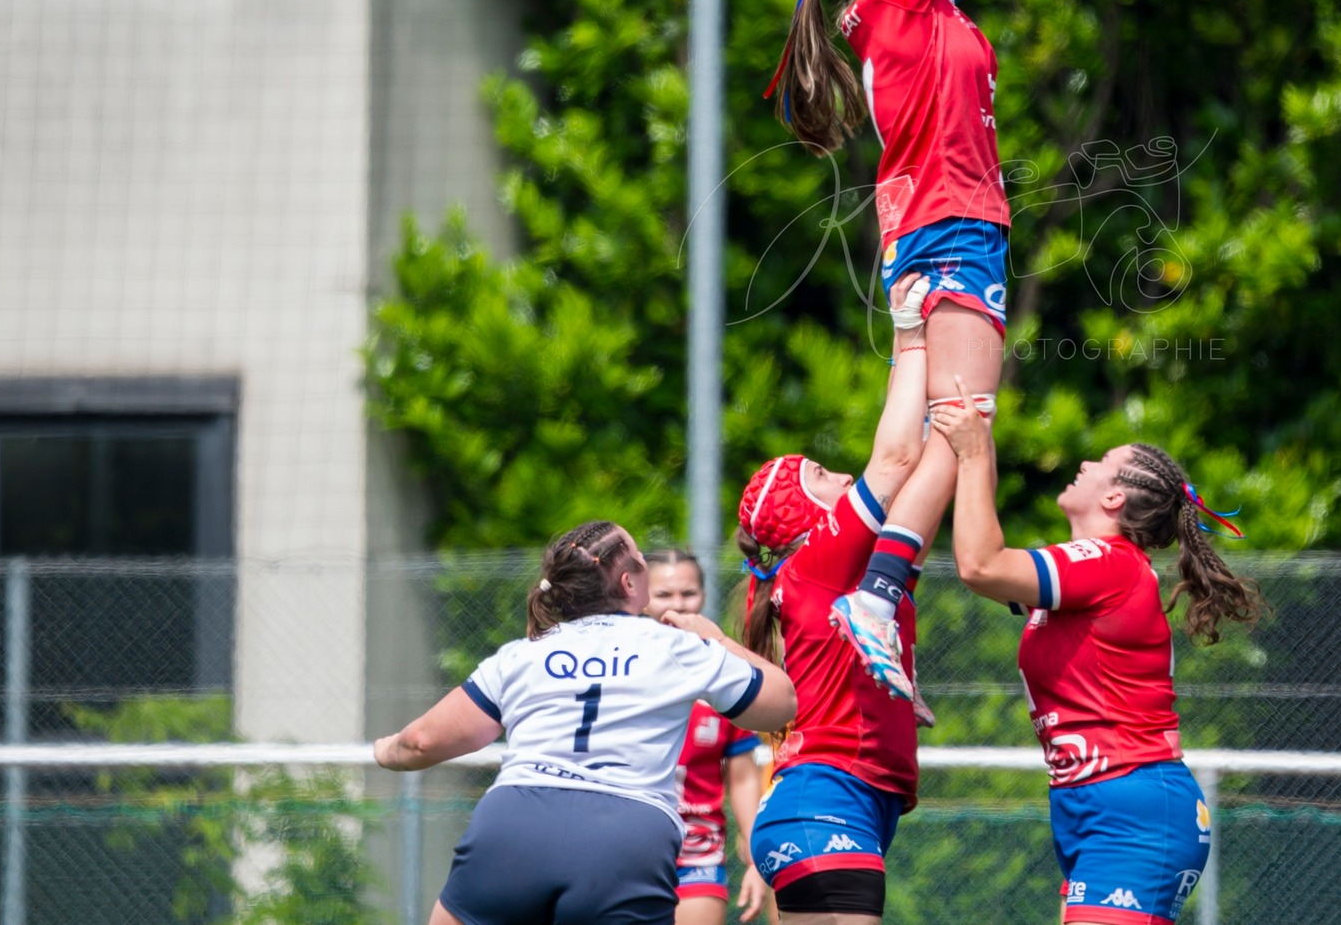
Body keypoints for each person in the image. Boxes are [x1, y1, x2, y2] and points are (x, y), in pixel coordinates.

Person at [763, 0, 1047, 698]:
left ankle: (819, 579)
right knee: (962, 424)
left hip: (920, 236)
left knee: (905, 442)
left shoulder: (916, 3)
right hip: (954, 227)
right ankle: (878, 592)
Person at [937, 378, 1263, 925]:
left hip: (1134, 811)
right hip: (1093, 806)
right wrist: (979, 447)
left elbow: (980, 564)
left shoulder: (1108, 564)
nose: (1086, 461)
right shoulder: (1094, 569)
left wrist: (974, 453)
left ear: (1114, 498)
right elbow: (990, 562)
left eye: (1103, 462)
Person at [374, 521, 797, 925]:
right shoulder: (679, 647)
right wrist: (719, 641)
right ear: (631, 584)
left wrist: (384, 751)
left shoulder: (523, 654)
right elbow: (781, 704)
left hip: (514, 825)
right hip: (625, 837)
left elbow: (421, 742)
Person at [736, 275, 932, 924]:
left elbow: (930, 475)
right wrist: (908, 329)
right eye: (821, 474)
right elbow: (901, 453)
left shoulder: (845, 569)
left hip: (848, 800)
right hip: (827, 796)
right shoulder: (819, 556)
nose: (844, 475)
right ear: (797, 513)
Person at [645, 548, 772, 925]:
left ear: (703, 595)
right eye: (664, 595)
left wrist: (754, 855)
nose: (678, 605)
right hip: (627, 845)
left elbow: (744, 774)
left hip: (698, 851)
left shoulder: (724, 670)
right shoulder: (620, 664)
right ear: (638, 595)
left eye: (688, 593)